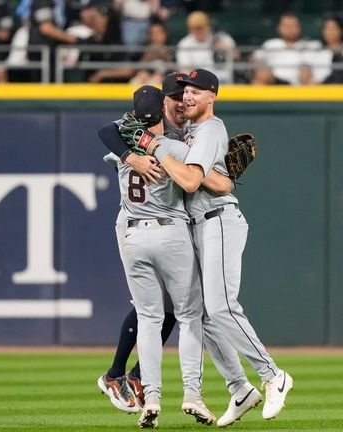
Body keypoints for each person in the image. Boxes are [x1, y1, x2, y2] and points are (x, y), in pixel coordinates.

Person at [98, 74, 259, 428]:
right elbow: (199, 179)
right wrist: (223, 176)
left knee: (151, 317)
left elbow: (108, 135)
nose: (182, 102)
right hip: (170, 232)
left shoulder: (125, 141)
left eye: (185, 95)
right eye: (175, 98)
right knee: (189, 316)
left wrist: (129, 155)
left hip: (133, 233)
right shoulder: (173, 147)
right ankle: (192, 393)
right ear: (162, 108)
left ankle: (148, 392)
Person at [146, 67, 294, 422]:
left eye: (197, 90)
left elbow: (192, 181)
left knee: (223, 307)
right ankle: (239, 389)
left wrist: (158, 149)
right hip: (196, 226)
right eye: (185, 91)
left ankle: (274, 375)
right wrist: (219, 176)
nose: (188, 96)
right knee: (205, 316)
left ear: (212, 95)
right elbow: (212, 179)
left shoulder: (211, 128)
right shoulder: (192, 132)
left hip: (218, 221)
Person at [251, 12, 320, 85]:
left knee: (306, 73)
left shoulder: (308, 45)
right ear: (279, 28)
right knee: (261, 75)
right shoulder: (270, 44)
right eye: (286, 26)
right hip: (274, 82)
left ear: (299, 28)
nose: (289, 29)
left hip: (297, 84)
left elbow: (311, 70)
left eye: (292, 26)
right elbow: (254, 59)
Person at [175, 10, 237, 84]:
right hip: (200, 86)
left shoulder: (222, 38)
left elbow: (236, 56)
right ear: (190, 29)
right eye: (195, 29)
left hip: (224, 83)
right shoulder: (185, 44)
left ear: (208, 26)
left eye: (201, 28)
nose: (199, 32)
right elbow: (185, 71)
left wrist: (224, 49)